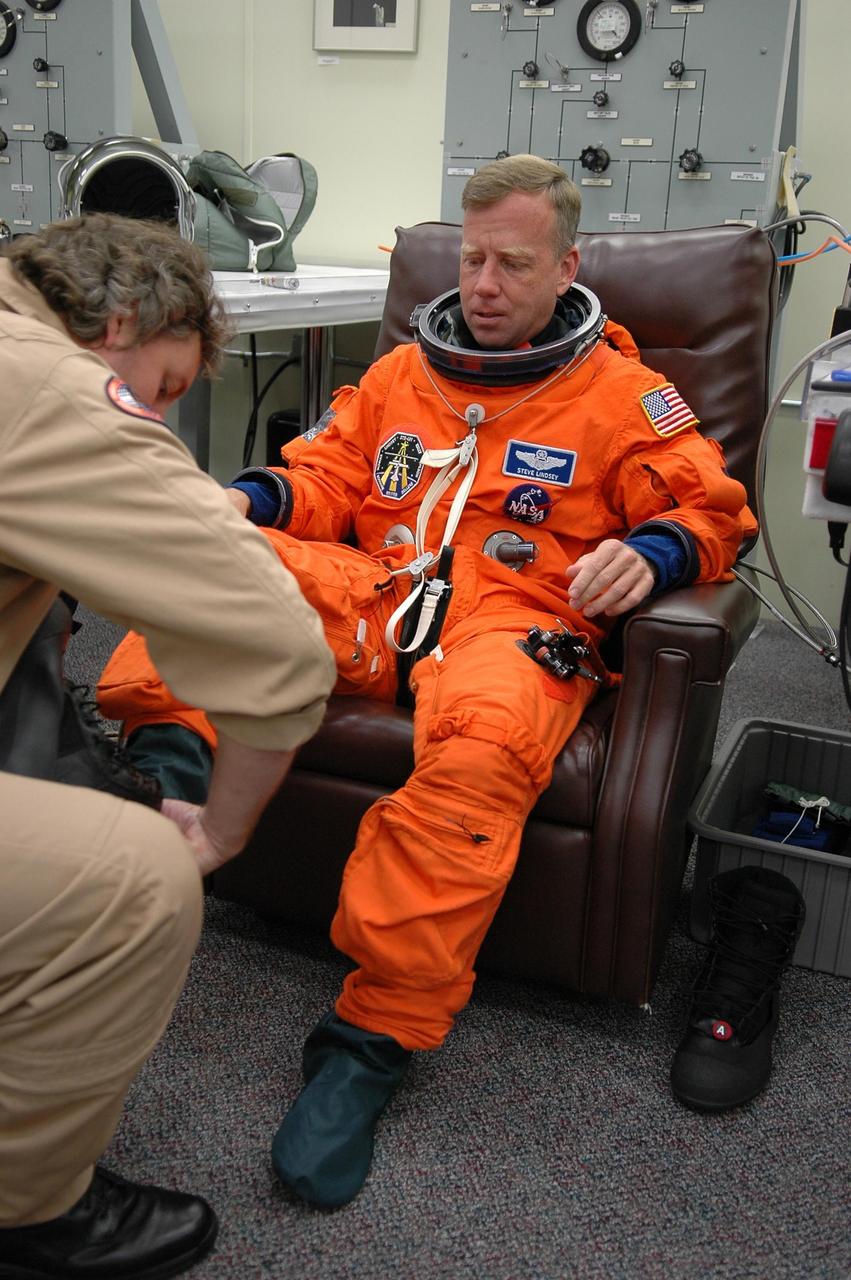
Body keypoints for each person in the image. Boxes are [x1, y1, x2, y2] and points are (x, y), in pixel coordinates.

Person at [97, 156, 758, 1209]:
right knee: (212, 569)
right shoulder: (404, 373)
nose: (484, 283)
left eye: (512, 263)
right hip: (376, 589)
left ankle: (365, 1039)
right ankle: (165, 768)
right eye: (471, 257)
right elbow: (326, 474)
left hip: (514, 621)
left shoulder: (625, 396)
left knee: (482, 758)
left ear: (567, 266)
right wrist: (250, 500)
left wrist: (659, 552)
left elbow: (711, 509)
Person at [0, 213, 335, 1276]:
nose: (157, 416)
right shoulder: (49, 388)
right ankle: (25, 1213)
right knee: (141, 876)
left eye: (510, 259)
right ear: (126, 318)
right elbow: (278, 639)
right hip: (326, 605)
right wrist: (222, 832)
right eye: (165, 388)